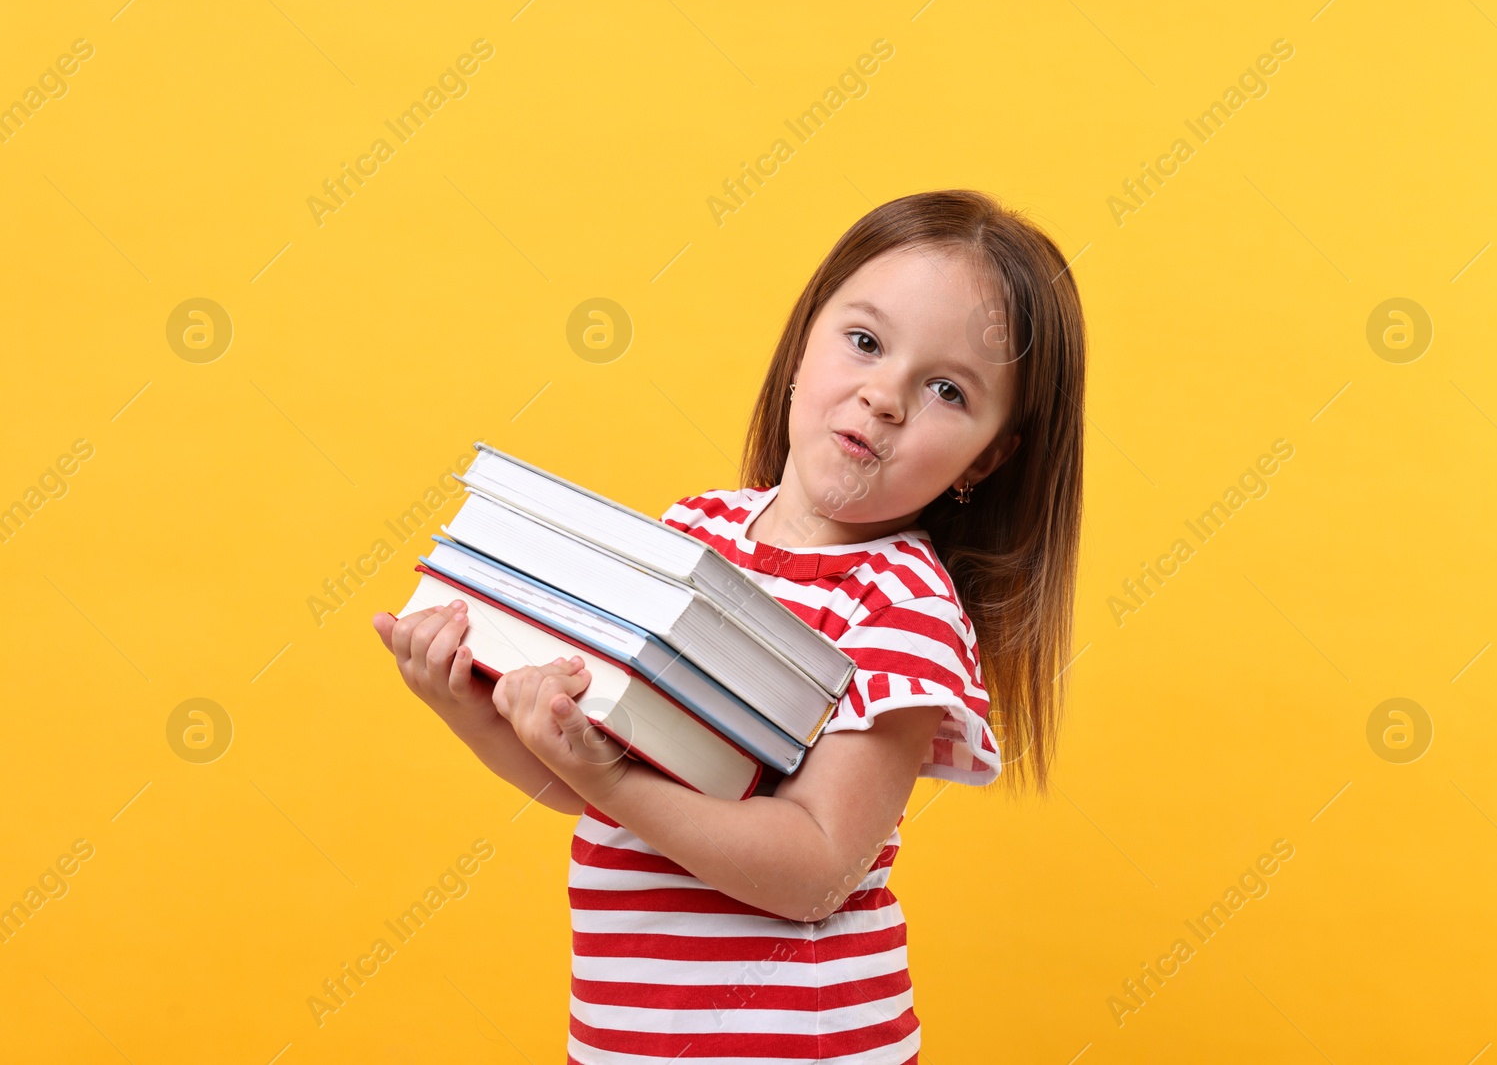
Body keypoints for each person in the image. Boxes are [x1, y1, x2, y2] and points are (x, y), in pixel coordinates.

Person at [373, 188, 1087, 1063]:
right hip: (623, 1040)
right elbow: (585, 780)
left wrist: (606, 775)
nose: (885, 397)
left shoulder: (902, 608)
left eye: (946, 390)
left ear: (987, 455)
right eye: (863, 342)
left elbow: (817, 867)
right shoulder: (693, 536)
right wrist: (470, 705)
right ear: (802, 343)